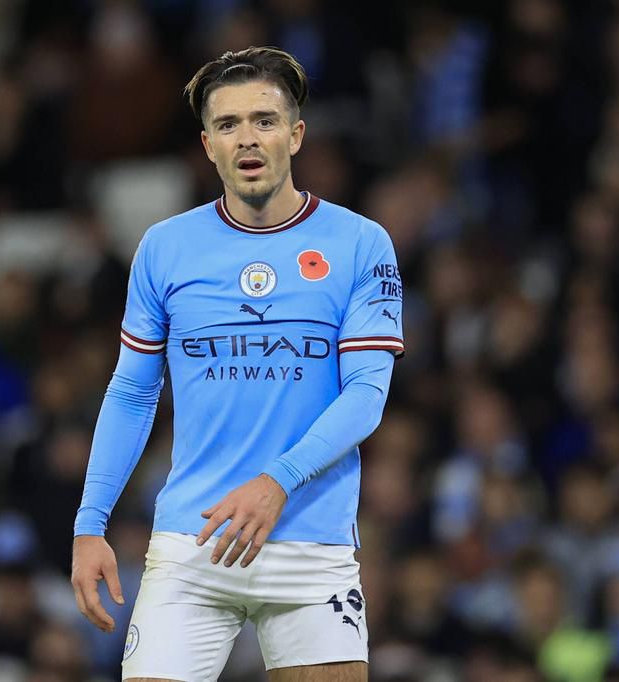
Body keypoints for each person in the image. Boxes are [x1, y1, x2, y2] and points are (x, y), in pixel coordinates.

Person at [71, 46, 405, 681]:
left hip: (311, 541)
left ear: (296, 134)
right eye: (228, 124)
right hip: (194, 540)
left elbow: (365, 393)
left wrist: (276, 480)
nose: (247, 138)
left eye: (264, 120)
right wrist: (91, 524)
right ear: (207, 145)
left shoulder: (360, 243)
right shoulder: (165, 248)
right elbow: (133, 393)